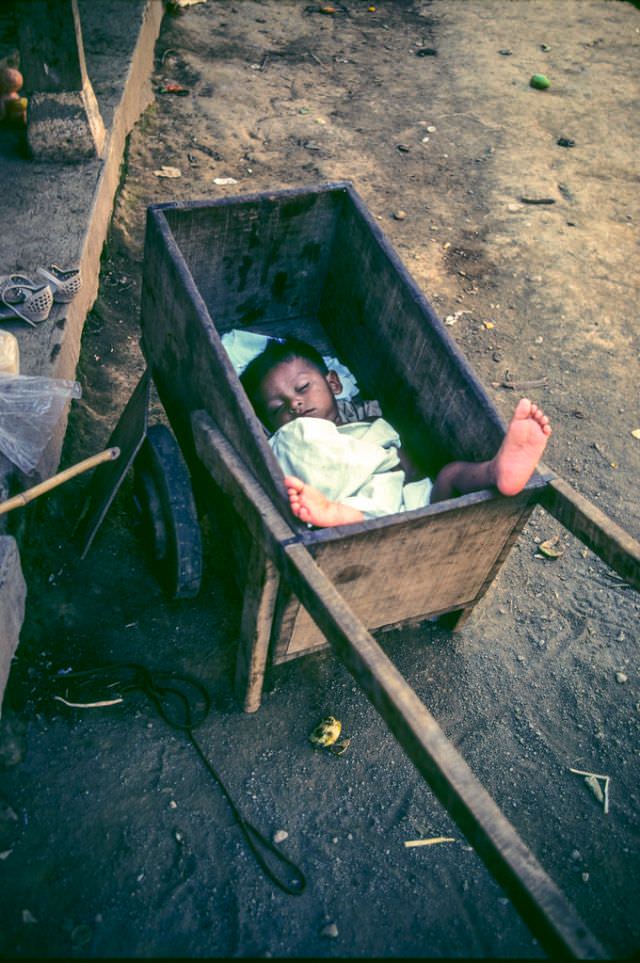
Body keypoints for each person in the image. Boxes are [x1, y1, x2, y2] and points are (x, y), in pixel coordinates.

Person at [240, 337, 551, 528]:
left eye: (303, 388)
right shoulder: (294, 436)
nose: (294, 403)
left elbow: (400, 455)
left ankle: (495, 471)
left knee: (451, 475)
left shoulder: (365, 416)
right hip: (341, 508)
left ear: (333, 384)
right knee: (296, 439)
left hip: (406, 503)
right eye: (277, 407)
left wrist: (402, 466)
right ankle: (341, 514)